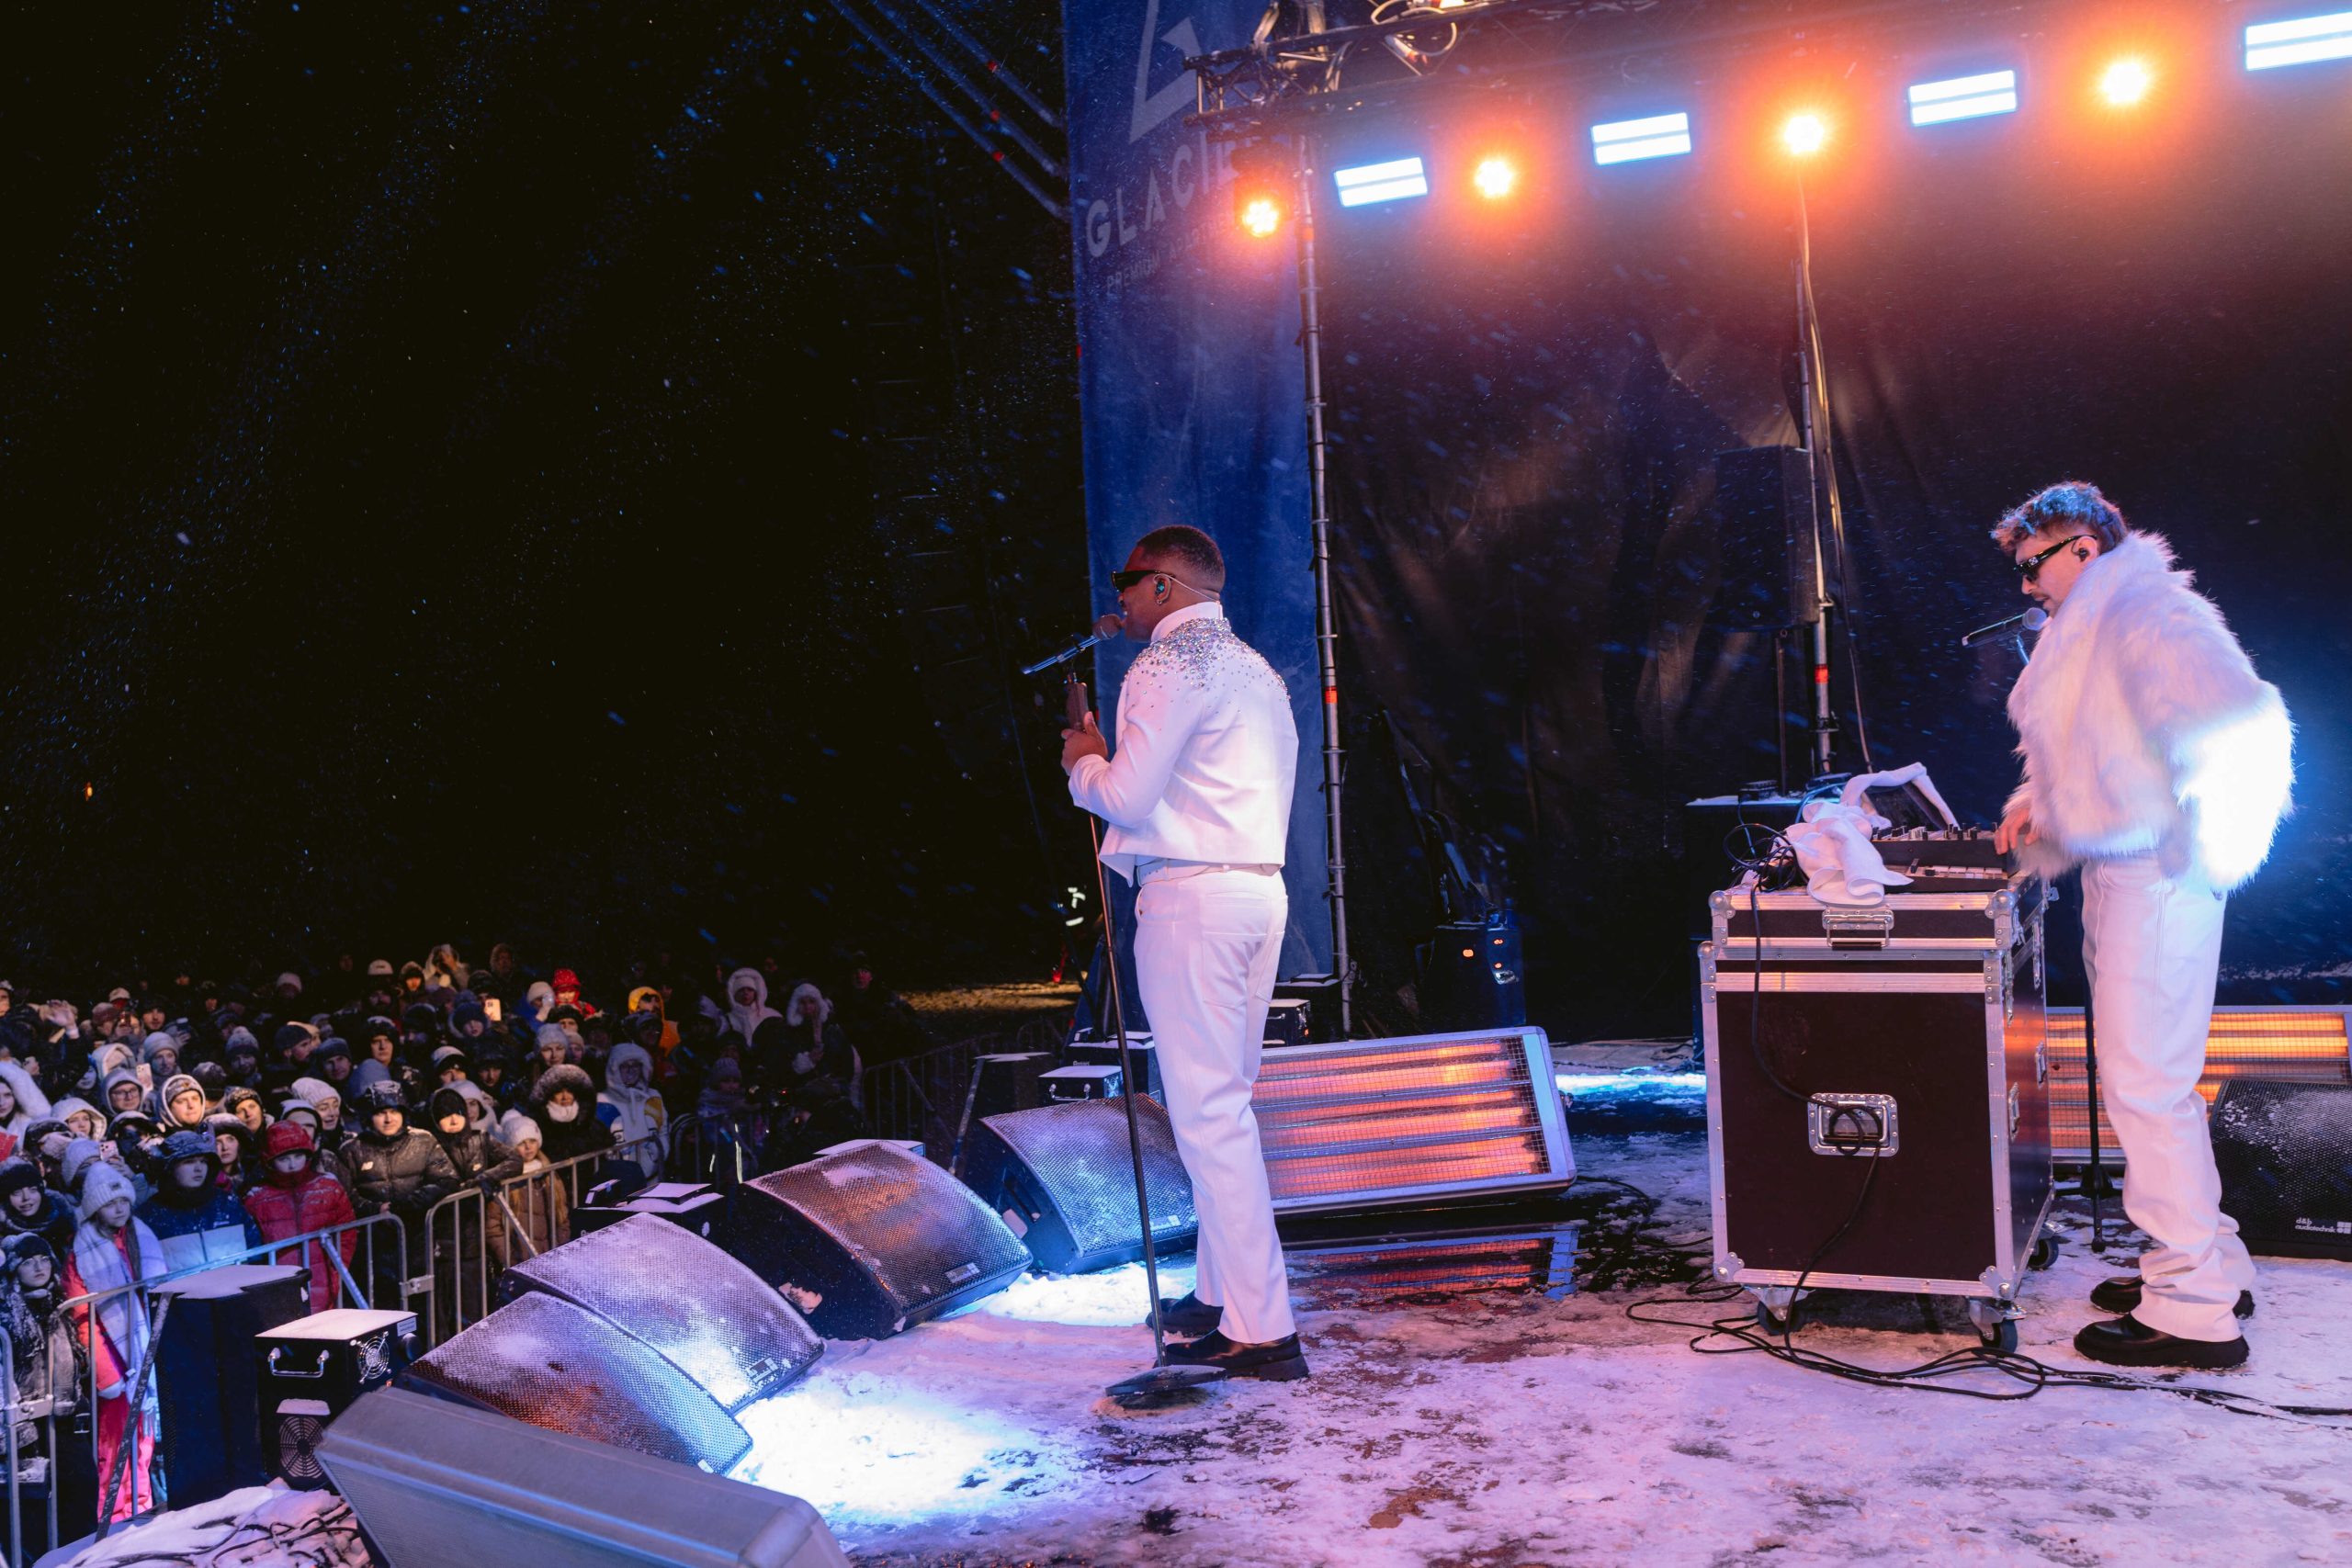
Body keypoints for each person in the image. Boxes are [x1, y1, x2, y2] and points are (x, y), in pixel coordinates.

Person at [1989, 483, 2293, 1371]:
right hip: (2131, 870)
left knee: (2146, 1088)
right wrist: (2046, 802)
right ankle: (2207, 1264)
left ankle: (2193, 1308)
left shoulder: (2149, 612)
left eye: (2034, 565)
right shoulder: (2102, 621)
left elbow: (2245, 732)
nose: (2026, 585)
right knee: (2156, 1086)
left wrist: (2195, 849)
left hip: (2158, 874)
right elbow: (2110, 750)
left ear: (2083, 549)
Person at [1060, 524, 1306, 1382]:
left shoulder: (1166, 664)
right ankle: (1220, 1294)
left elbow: (1128, 794)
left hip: (1192, 898)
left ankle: (1264, 1328)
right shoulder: (1258, 671)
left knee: (1209, 1116)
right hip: (1257, 892)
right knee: (1223, 1108)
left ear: (1164, 584)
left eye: (1128, 580)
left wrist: (1084, 761)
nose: (1120, 597)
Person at [65, 1162, 165, 1520]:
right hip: (113, 1355)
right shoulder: (82, 1250)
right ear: (95, 1209)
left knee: (144, 1438)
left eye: (123, 1200)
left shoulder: (141, 1236)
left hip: (145, 1348)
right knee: (116, 1442)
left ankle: (142, 1504)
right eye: (110, 1204)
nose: (120, 1208)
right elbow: (82, 1315)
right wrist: (106, 1372)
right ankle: (115, 1515)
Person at [338, 1080, 460, 1310]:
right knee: (385, 1307)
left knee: (425, 1306)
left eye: (394, 1111)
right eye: (381, 1112)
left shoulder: (423, 1140)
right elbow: (346, 1196)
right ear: (370, 1116)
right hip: (375, 1245)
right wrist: (377, 1210)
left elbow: (447, 1179)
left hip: (419, 1237)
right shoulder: (351, 1150)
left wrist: (410, 1204)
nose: (388, 1119)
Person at [242, 1122, 357, 1316]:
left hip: (323, 1278)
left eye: (298, 1156)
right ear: (270, 1161)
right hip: (279, 1283)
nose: (292, 1164)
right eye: (284, 1158)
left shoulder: (328, 1187)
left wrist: (337, 1269)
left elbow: (347, 1232)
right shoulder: (257, 1198)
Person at [138, 1129, 263, 1273]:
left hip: (239, 1286)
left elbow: (255, 1254)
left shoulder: (228, 1203)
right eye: (188, 1162)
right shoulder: (150, 1216)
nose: (199, 1168)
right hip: (184, 1289)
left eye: (203, 1161)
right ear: (170, 1168)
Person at [594, 1042, 668, 1177]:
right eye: (624, 1066)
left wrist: (657, 1154)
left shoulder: (653, 1097)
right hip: (620, 1178)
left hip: (654, 1176)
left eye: (635, 1065)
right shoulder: (602, 1100)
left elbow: (663, 1131)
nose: (631, 1070)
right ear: (614, 1069)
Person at [529, 1065, 613, 1168]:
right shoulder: (538, 1127)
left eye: (569, 1091)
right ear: (549, 1094)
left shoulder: (591, 1124)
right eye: (558, 1092)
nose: (565, 1097)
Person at [0, 1156, 80, 1258]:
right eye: (17, 1192)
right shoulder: (2, 1232)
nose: (26, 1197)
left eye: (33, 1190)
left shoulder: (64, 1220)